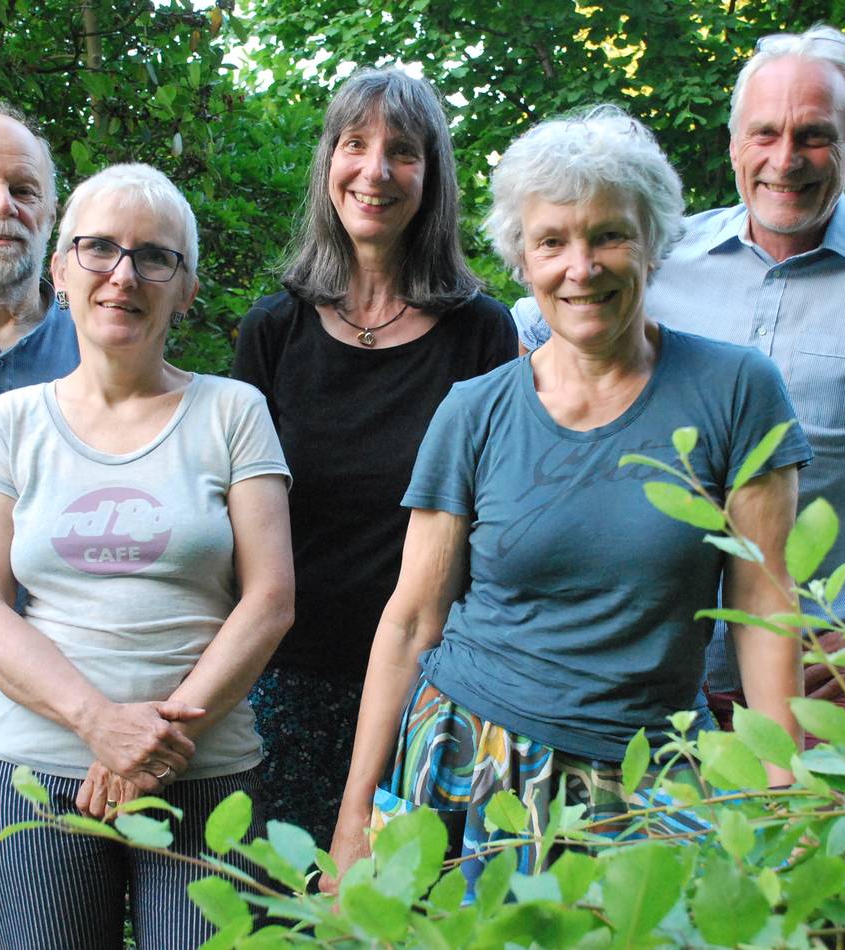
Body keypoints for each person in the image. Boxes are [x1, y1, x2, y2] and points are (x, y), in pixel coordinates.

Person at [325, 106, 810, 894]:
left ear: (652, 244)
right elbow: (413, 619)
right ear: (522, 259)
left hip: (646, 772)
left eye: (609, 235)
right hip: (461, 757)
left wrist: (782, 788)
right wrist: (353, 821)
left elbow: (764, 607)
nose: (581, 267)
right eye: (552, 241)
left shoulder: (737, 391)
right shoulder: (474, 411)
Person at [510, 26, 845, 727]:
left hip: (815, 685)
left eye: (815, 135)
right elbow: (532, 323)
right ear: (734, 144)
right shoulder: (665, 254)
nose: (785, 161)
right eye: (764, 134)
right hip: (637, 684)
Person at [0, 163, 294, 949]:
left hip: (206, 774)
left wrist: (148, 748)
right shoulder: (11, 423)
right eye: (99, 249)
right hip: (35, 774)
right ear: (60, 269)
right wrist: (100, 726)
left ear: (185, 289)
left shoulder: (232, 411)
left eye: (156, 256)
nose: (124, 275)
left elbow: (271, 598)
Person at [232, 67, 516, 847]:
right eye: (355, 144)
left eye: (403, 150)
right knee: (280, 911)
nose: (376, 170)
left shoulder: (483, 335)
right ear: (329, 163)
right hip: (285, 682)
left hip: (435, 686)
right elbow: (232, 519)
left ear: (432, 176)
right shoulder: (272, 331)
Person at [0, 100, 79, 747]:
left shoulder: (107, 359)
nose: (1, 206)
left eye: (23, 190)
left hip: (60, 736)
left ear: (51, 219)